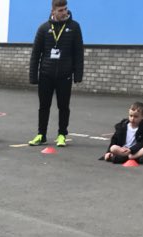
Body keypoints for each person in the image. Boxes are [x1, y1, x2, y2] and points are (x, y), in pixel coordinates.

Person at [28, 0, 83, 148]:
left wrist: (78, 74)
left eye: (65, 9)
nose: (64, 12)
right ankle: (41, 134)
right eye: (60, 10)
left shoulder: (74, 27)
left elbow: (78, 53)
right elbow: (36, 54)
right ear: (53, 11)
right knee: (43, 106)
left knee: (63, 106)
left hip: (65, 76)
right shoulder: (43, 28)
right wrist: (33, 76)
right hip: (46, 74)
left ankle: (61, 134)